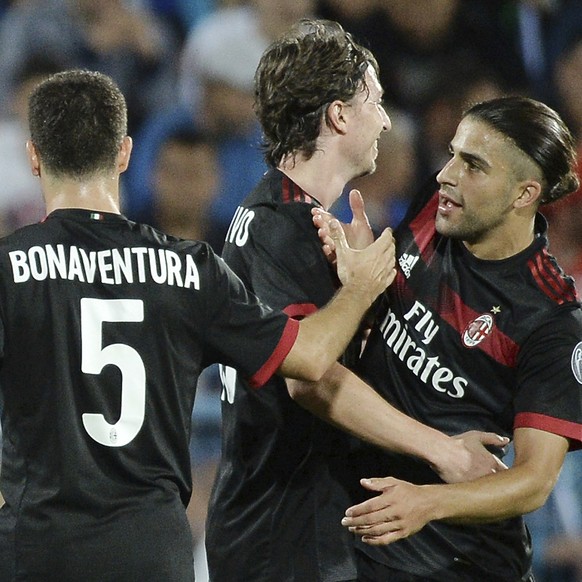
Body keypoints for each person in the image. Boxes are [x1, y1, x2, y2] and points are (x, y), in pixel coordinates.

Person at [0, 69, 398, 582]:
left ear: (34, 158)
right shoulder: (190, 268)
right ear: (124, 154)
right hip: (150, 549)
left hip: (36, 547)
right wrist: (360, 287)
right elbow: (311, 357)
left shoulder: (8, 269)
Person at [205, 19, 508, 582]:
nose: (388, 121)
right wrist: (442, 450)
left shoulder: (294, 221)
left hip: (302, 530)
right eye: (375, 100)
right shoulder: (278, 225)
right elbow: (310, 378)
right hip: (283, 537)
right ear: (339, 115)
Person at [316, 95, 582, 581]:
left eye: (473, 165)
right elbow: (385, 317)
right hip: (361, 535)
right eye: (453, 153)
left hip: (457, 562)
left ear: (524, 194)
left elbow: (533, 482)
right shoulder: (435, 214)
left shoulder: (551, 320)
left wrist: (428, 502)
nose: (446, 174)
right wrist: (357, 274)